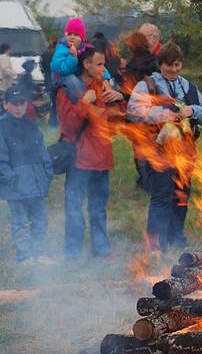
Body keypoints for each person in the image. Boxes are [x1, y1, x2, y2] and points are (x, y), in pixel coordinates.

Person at [127, 41, 202, 252]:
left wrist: (192, 111)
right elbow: (133, 109)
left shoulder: (189, 87)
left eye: (177, 64)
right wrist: (163, 115)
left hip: (186, 152)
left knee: (182, 194)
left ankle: (176, 237)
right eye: (168, 65)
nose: (173, 69)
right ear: (160, 64)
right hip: (159, 151)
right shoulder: (147, 85)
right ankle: (155, 244)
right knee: (162, 195)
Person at [57, 47, 123, 259]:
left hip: (101, 158)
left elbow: (115, 121)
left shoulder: (102, 87)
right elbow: (67, 127)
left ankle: (101, 249)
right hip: (79, 160)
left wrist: (119, 98)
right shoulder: (68, 89)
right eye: (100, 64)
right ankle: (72, 253)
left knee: (98, 208)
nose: (104, 69)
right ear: (86, 65)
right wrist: (85, 103)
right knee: (74, 207)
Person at [0, 85, 54, 265]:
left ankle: (38, 252)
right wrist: (11, 179)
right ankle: (24, 257)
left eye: (22, 103)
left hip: (37, 182)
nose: (18, 107)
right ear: (5, 104)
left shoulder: (32, 125)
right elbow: (1, 159)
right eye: (14, 104)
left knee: (41, 220)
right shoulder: (2, 126)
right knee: (21, 222)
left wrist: (47, 174)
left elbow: (42, 151)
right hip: (15, 186)